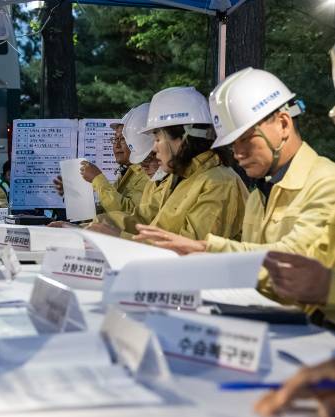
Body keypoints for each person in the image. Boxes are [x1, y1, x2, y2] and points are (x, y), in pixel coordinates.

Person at [134, 69, 335, 317]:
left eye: (246, 139)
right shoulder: (260, 194)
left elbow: (290, 262)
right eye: (233, 143)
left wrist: (205, 250)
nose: (238, 154)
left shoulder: (325, 183)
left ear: (283, 124)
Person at [87, 86, 248, 241]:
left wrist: (118, 237)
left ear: (183, 139)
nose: (154, 147)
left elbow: (191, 252)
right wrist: (89, 228)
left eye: (157, 139)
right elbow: (143, 219)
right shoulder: (178, 177)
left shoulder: (219, 183)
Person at [52, 108, 151, 214]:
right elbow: (107, 212)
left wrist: (97, 179)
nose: (116, 145)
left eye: (122, 139)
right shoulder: (127, 172)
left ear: (139, 140)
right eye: (114, 139)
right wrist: (74, 197)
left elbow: (129, 215)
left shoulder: (148, 173)